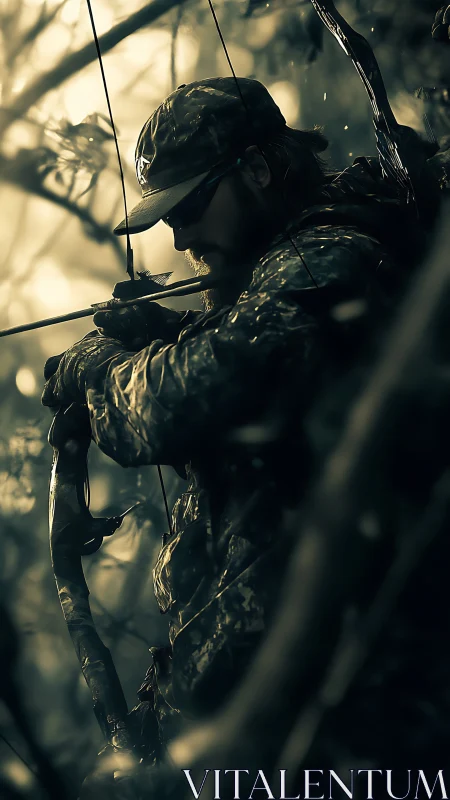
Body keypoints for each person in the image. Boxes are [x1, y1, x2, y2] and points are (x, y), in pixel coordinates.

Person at [41, 77, 441, 791]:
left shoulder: (329, 260)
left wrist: (101, 368)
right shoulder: (276, 281)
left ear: (258, 171)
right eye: (170, 220)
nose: (183, 237)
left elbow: (175, 402)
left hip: (337, 732)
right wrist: (172, 330)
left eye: (193, 206)